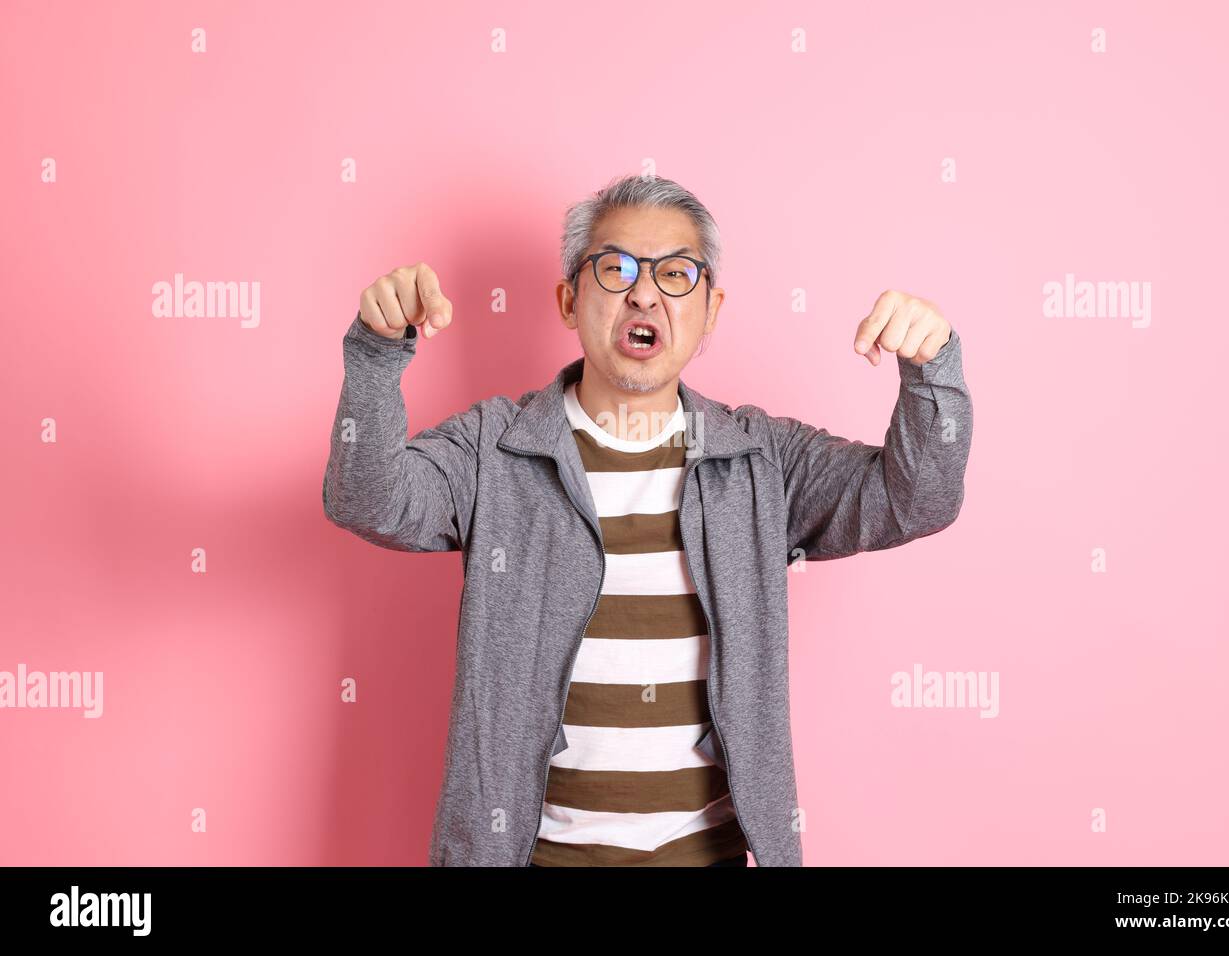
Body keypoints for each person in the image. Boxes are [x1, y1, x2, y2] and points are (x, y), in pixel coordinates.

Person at [322, 174, 973, 866]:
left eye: (676, 272)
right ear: (569, 300)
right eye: (616, 267)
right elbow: (367, 499)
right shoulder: (495, 449)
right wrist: (374, 352)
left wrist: (933, 368)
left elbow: (918, 499)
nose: (644, 291)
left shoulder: (759, 459)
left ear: (710, 309)